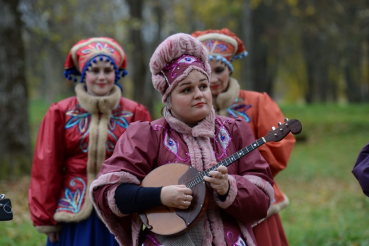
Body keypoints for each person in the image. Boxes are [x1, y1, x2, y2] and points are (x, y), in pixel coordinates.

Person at [90, 33, 274, 246]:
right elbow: (110, 194)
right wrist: (159, 196)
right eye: (186, 89)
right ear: (167, 97)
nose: (199, 94)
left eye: (203, 86)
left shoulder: (235, 131)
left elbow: (263, 200)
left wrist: (228, 187)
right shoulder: (147, 135)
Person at [28, 37, 152, 246]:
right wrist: (46, 219)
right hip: (73, 213)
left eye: (107, 70)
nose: (102, 77)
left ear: (116, 73)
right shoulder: (60, 113)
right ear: (83, 74)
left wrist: (148, 206)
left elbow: (148, 166)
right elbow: (46, 168)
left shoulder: (135, 113)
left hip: (119, 210)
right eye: (95, 71)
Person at [191, 28, 296, 246]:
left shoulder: (257, 101)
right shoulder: (190, 107)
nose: (214, 78)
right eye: (208, 71)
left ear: (230, 69)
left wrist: (239, 174)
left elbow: (280, 146)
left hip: (255, 202)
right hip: (204, 206)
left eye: (220, 70)